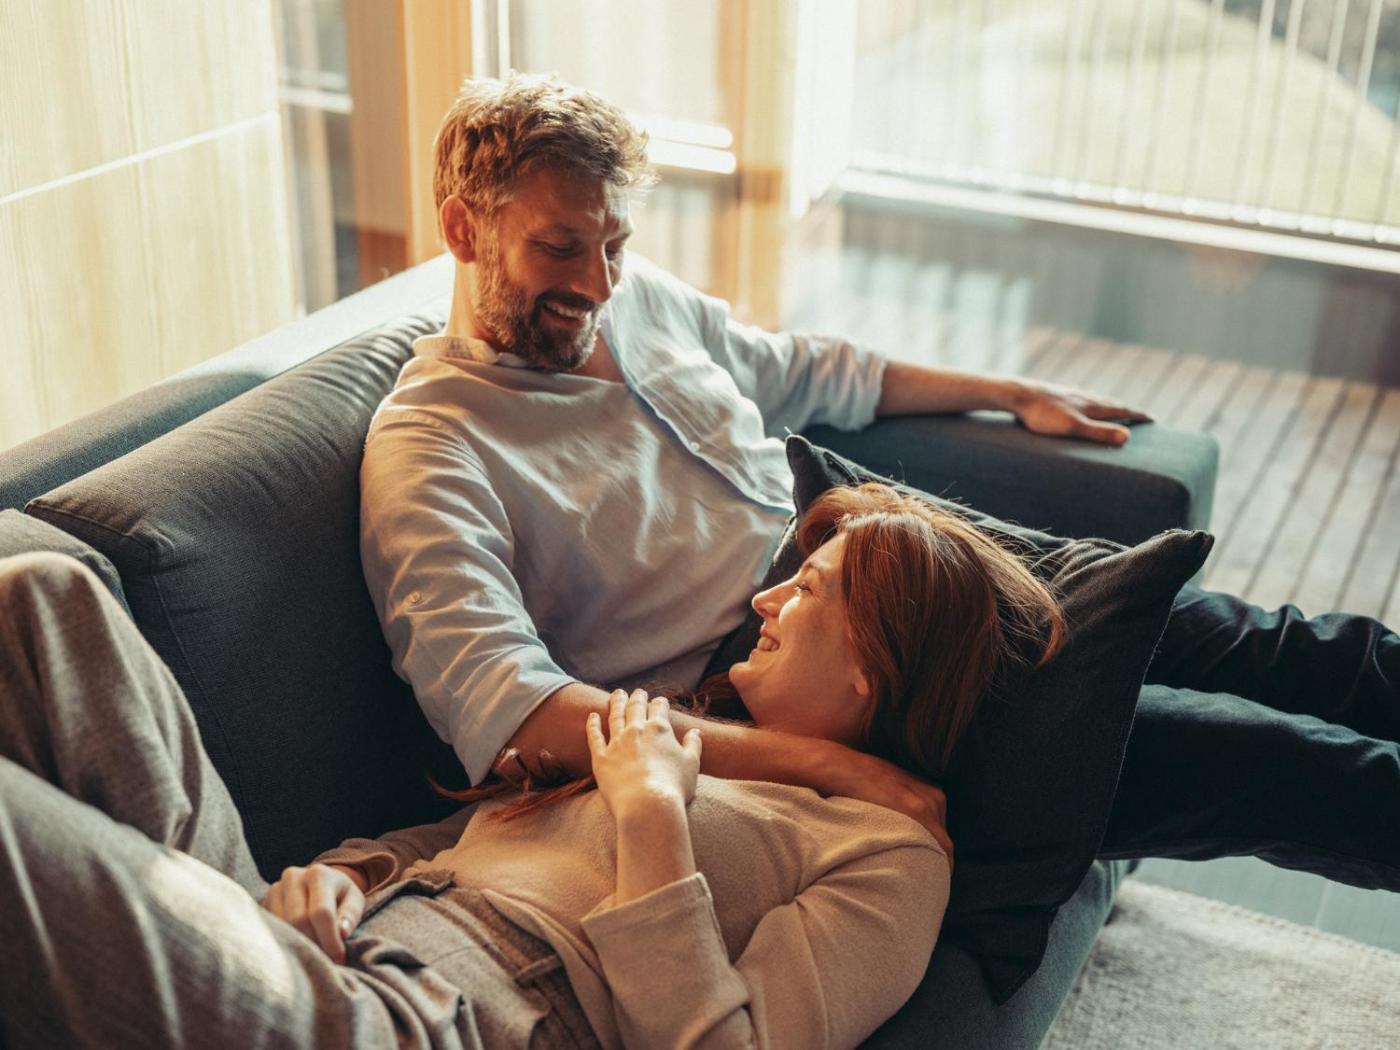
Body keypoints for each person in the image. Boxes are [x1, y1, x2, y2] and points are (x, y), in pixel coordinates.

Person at [361, 70, 1399, 894]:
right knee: (1267, 765)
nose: (597, 282)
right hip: (773, 667)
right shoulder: (432, 446)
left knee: (1268, 643)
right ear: (463, 229)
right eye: (559, 248)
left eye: (614, 243)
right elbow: (515, 713)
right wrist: (837, 767)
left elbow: (804, 371)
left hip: (859, 549)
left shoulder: (635, 299)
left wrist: (1007, 392)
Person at [0, 481, 1056, 1048]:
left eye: (808, 589)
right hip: (325, 952)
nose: (764, 601)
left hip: (443, 1027)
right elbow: (443, 843)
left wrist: (653, 822)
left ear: (876, 660)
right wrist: (336, 877)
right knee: (45, 602)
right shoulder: (677, 731)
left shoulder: (887, 853)